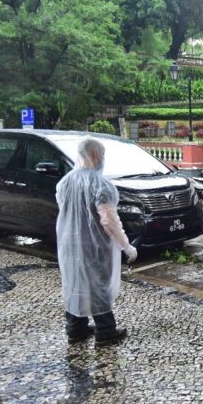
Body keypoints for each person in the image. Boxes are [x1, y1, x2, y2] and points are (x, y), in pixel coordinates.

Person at [55, 138, 137, 346]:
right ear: (94, 155)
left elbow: (66, 212)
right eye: (102, 153)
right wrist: (126, 245)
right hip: (94, 245)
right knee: (97, 284)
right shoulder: (102, 185)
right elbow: (109, 221)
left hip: (69, 243)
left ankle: (76, 328)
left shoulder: (65, 182)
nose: (103, 158)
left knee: (75, 282)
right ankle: (106, 330)